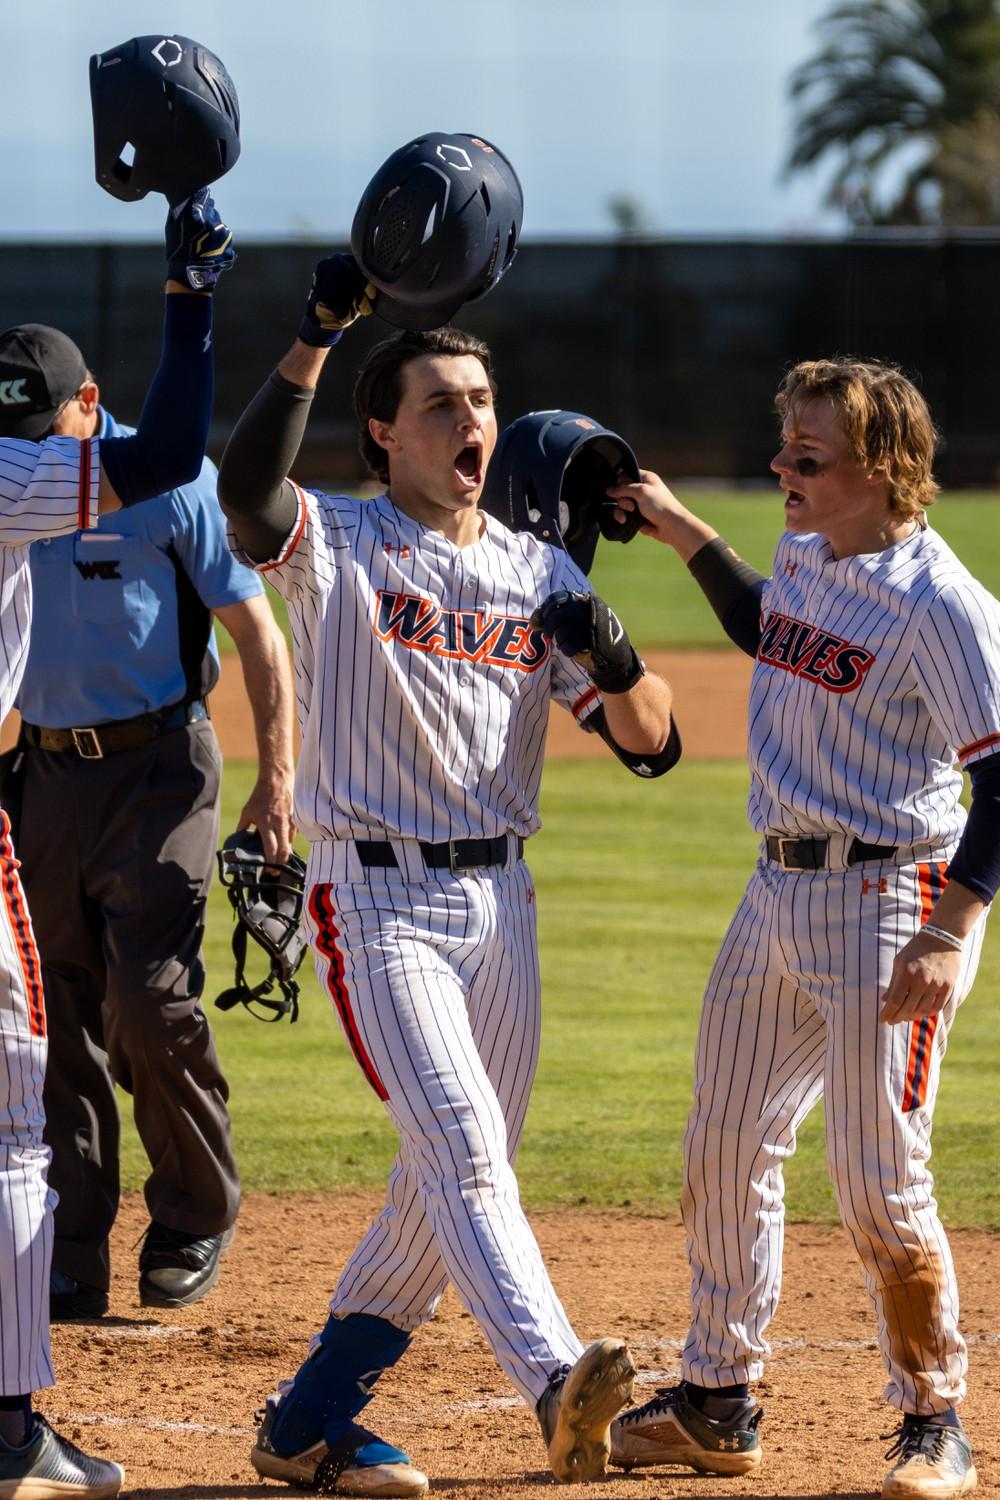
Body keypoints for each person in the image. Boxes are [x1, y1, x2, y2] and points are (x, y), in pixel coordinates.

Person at [216, 254, 681, 1495]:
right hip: (373, 899)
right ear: (383, 433)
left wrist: (616, 654)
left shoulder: (541, 574)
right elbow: (246, 494)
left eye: (480, 400)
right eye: (440, 403)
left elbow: (655, 748)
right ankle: (554, 1385)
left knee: (448, 1179)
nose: (470, 420)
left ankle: (307, 1421)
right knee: (464, 1150)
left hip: (502, 907)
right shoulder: (344, 542)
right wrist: (316, 335)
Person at [605, 358, 998, 1500]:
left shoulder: (940, 606)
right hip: (771, 894)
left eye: (806, 455)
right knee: (723, 1147)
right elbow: (773, 630)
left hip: (892, 905)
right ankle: (717, 1399)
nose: (781, 466)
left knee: (877, 1179)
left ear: (881, 471)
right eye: (784, 446)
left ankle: (937, 1417)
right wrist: (681, 530)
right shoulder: (810, 554)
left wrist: (952, 927)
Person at [0, 191, 234, 1498]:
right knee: (15, 1120)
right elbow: (175, 449)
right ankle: (13, 1429)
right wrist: (191, 303)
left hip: (114, 776)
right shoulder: (15, 477)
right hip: (9, 809)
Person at [0, 324, 295, 1323]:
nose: (40, 451)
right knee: (55, 1018)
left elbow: (257, 632)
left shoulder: (172, 485)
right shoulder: (19, 486)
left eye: (51, 427)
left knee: (150, 997)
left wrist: (276, 781)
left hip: (160, 768)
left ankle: (195, 1208)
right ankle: (68, 1244)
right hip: (42, 774)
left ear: (92, 401)